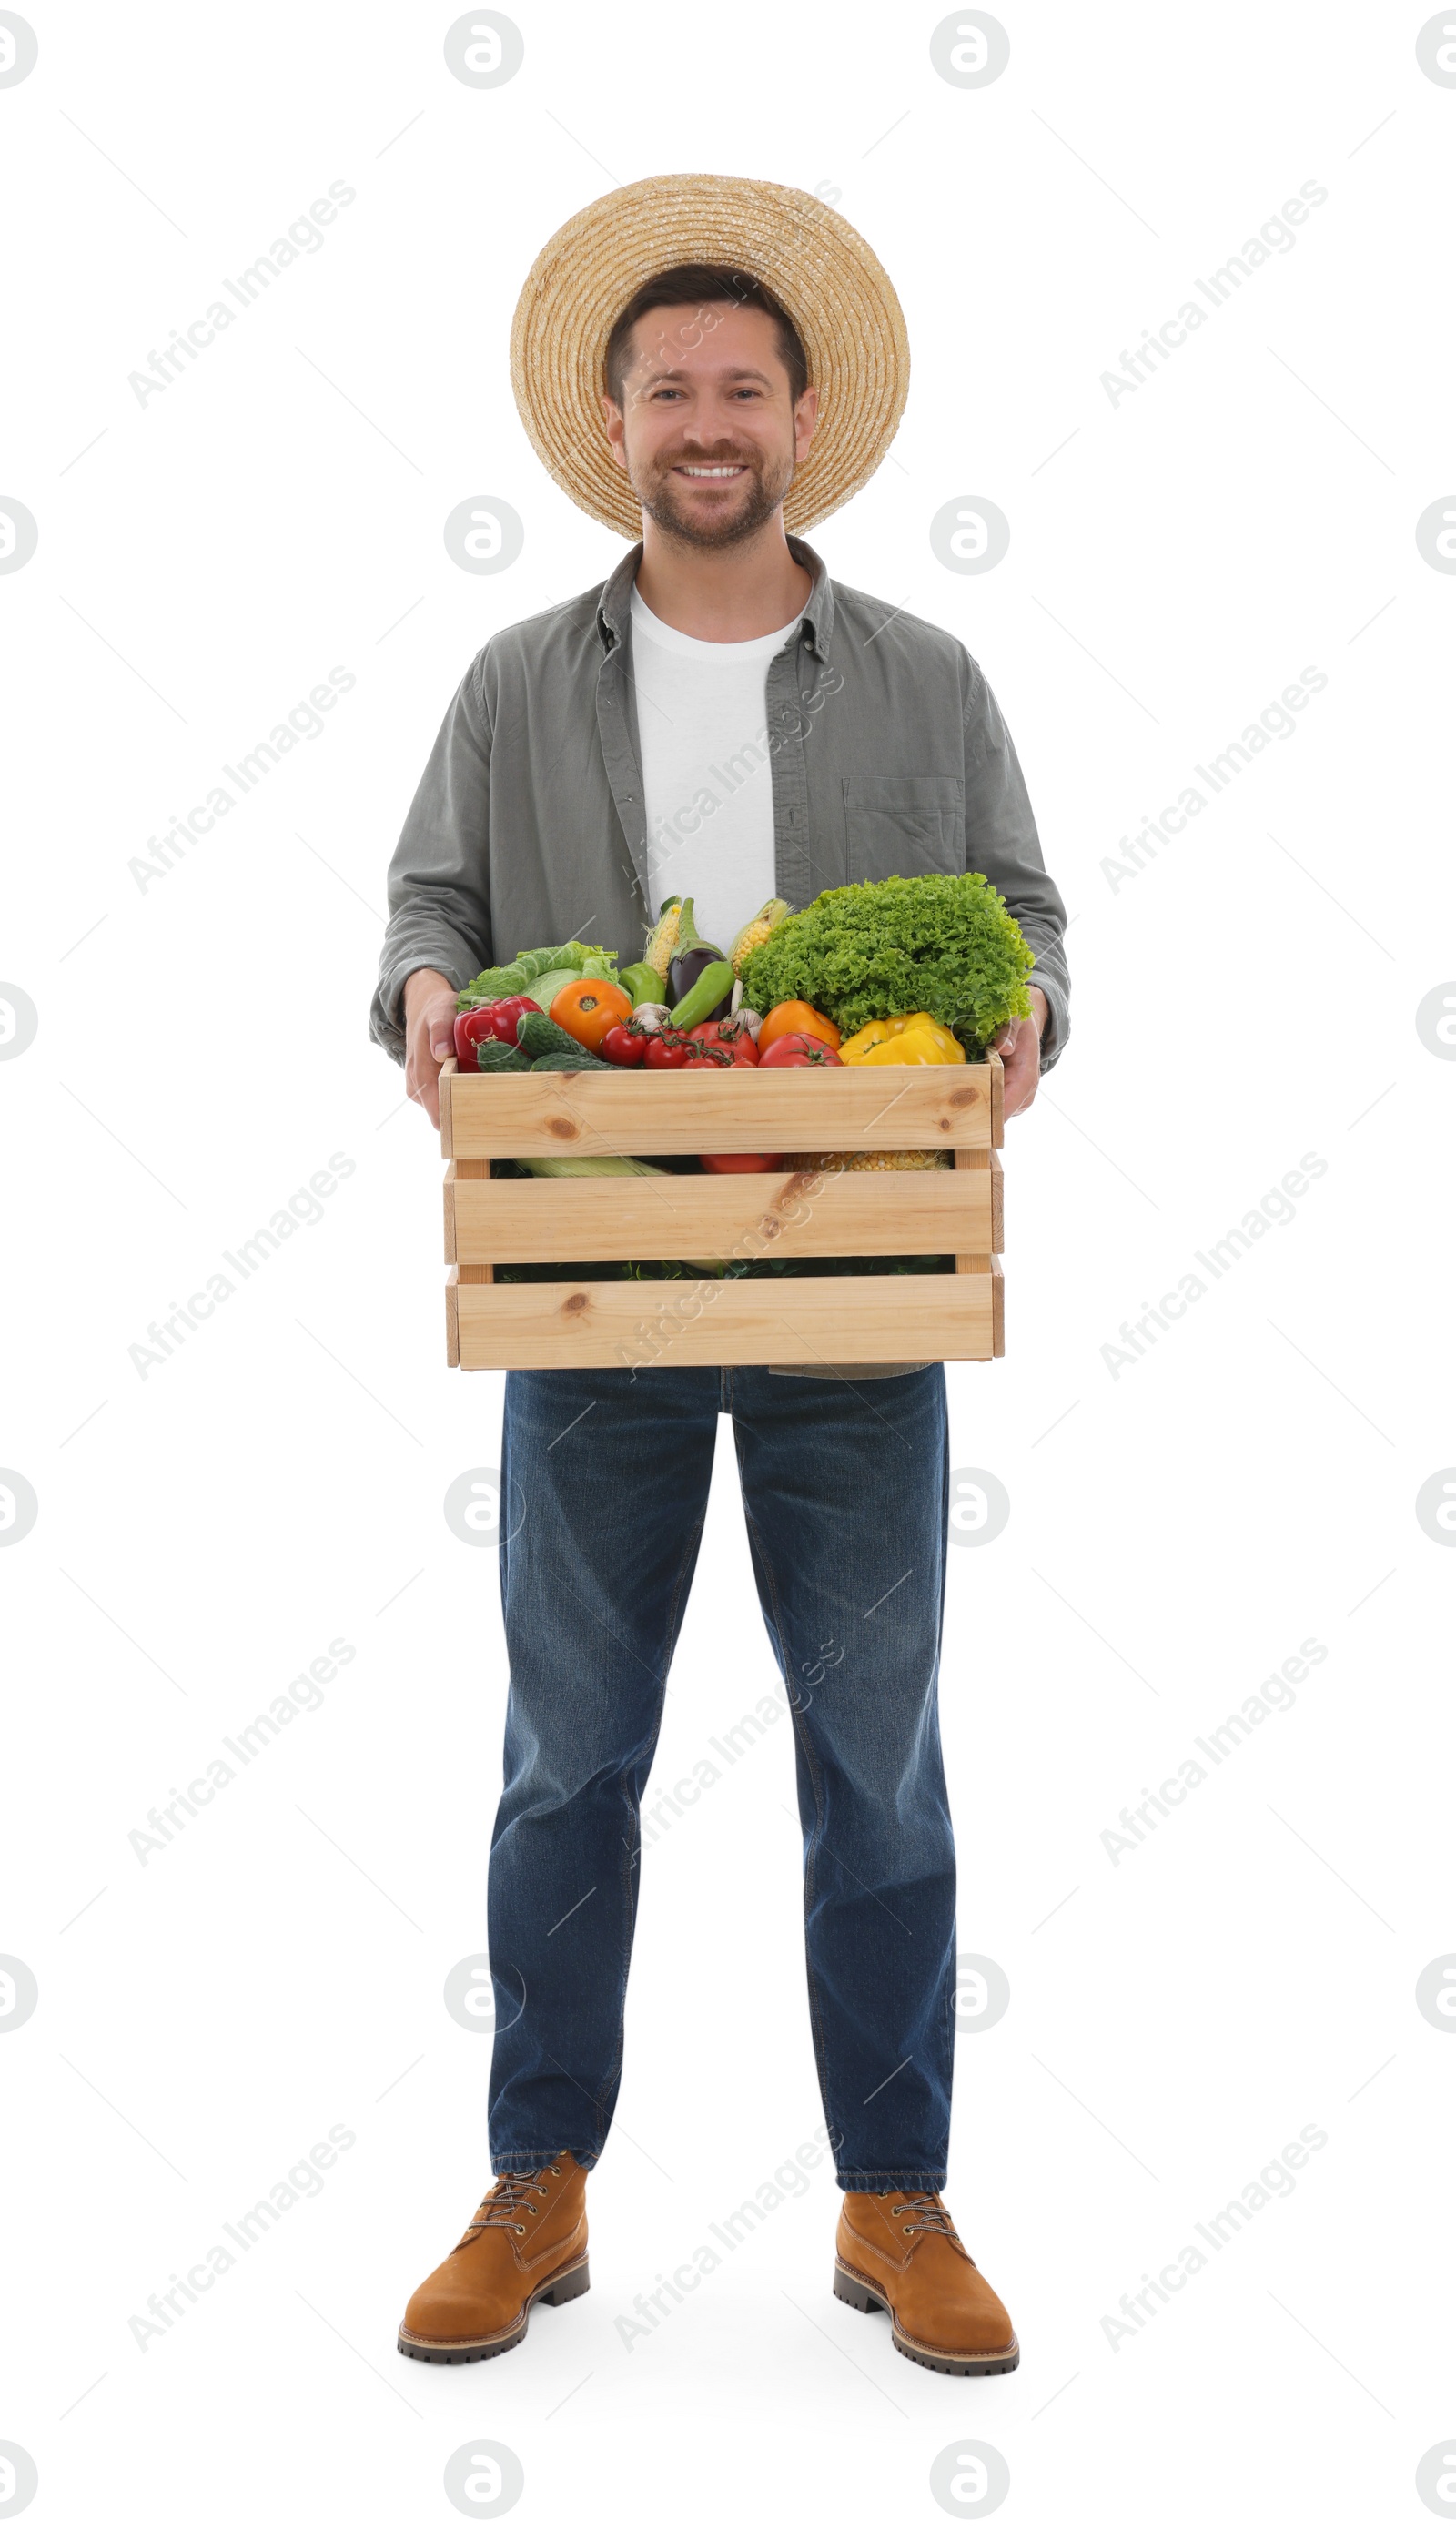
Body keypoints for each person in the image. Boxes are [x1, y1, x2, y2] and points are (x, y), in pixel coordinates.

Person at [371, 175, 1068, 2377]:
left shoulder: (925, 679)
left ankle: (893, 2196)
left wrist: (1033, 1016)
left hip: (859, 1283)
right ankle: (535, 2180)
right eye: (666, 385)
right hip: (595, 1287)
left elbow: (1026, 917)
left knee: (876, 1754)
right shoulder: (513, 681)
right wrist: (414, 998)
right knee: (568, 1758)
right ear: (611, 421)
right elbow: (428, 906)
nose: (703, 419)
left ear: (795, 424)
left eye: (738, 388)